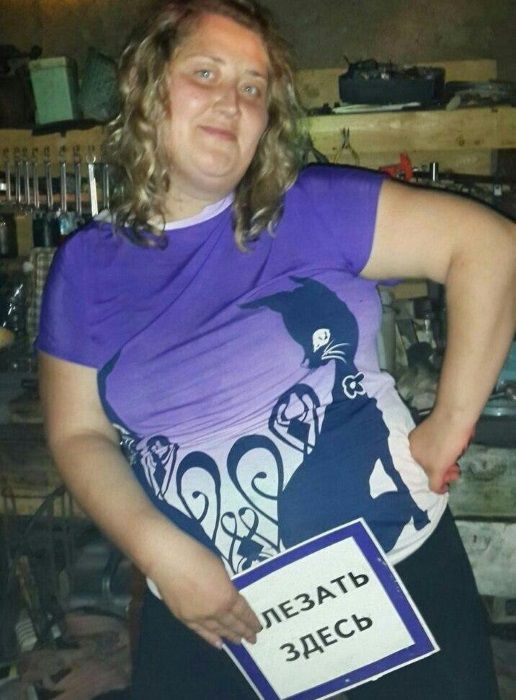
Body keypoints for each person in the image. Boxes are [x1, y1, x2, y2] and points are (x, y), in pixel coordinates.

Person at [36, 1, 515, 698]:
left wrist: (449, 425)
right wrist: (157, 551)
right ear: (147, 88)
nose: (232, 101)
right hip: (209, 620)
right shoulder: (87, 268)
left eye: (253, 86)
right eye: (205, 73)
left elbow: (491, 250)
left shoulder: (312, 207)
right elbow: (77, 432)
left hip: (394, 580)